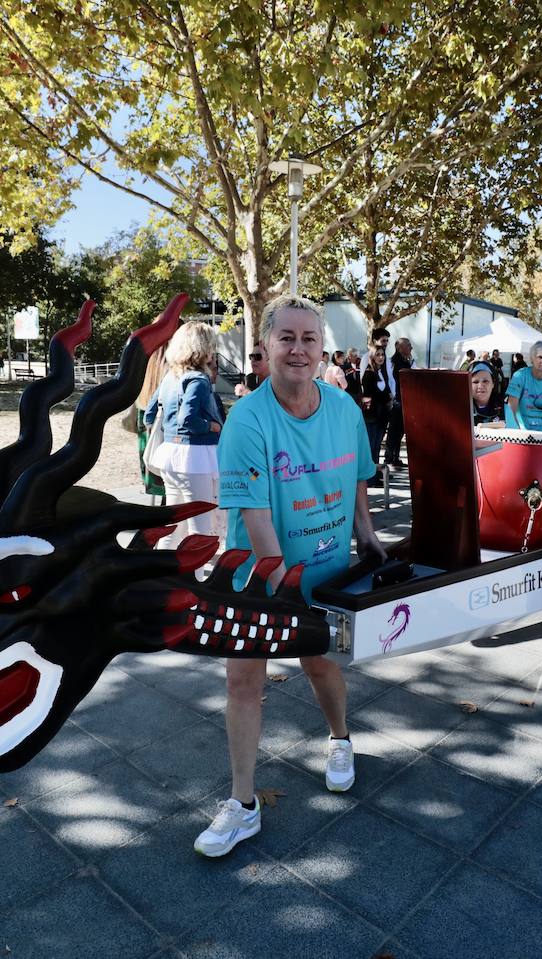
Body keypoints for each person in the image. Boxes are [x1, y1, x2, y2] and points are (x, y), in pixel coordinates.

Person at [200, 294, 385, 858]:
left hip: (323, 573)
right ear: (266, 346)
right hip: (258, 578)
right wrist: (283, 595)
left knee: (321, 665)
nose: (299, 350)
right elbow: (256, 519)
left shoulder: (346, 410)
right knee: (242, 684)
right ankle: (242, 805)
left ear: (322, 348)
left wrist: (368, 535)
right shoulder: (246, 421)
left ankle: (340, 740)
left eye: (309, 339)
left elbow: (356, 476)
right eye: (287, 339)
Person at [145, 322, 225, 546]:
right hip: (195, 459)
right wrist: (211, 427)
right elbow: (187, 420)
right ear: (203, 347)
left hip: (171, 456)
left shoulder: (170, 377)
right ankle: (194, 579)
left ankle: (164, 577)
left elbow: (148, 415)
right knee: (200, 528)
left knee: (174, 527)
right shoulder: (198, 380)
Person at [135, 343, 169, 501]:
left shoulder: (145, 362)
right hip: (164, 427)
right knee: (171, 491)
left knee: (157, 486)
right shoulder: (173, 366)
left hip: (146, 426)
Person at [381, 335, 413, 470]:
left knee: (399, 431)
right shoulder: (395, 362)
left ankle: (395, 456)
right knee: (394, 431)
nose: (411, 347)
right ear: (400, 348)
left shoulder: (405, 361)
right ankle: (389, 457)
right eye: (408, 345)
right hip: (398, 401)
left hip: (403, 400)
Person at [359, 343, 393, 467]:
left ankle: (376, 474)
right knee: (371, 447)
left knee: (377, 447)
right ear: (372, 356)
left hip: (381, 417)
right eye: (378, 355)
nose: (381, 357)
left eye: (382, 354)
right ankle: (370, 477)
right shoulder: (369, 373)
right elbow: (368, 397)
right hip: (372, 417)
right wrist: (387, 398)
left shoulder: (381, 372)